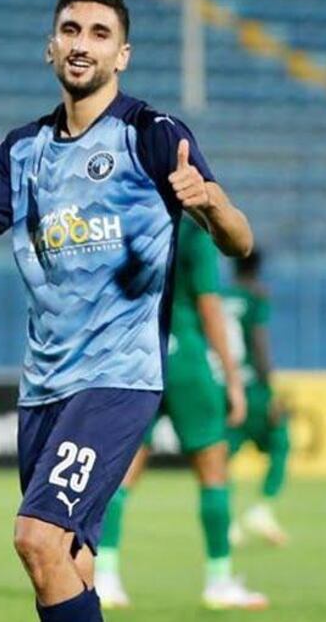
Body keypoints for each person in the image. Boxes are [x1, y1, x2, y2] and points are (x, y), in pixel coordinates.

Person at [0, 0, 252, 622]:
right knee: (67, 561)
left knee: (35, 539)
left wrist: (211, 202)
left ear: (123, 55)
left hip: (118, 378)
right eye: (70, 30)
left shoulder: (152, 135)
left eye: (99, 33)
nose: (81, 44)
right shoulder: (21, 150)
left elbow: (240, 241)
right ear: (50, 47)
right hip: (44, 388)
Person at [94, 216, 267, 611]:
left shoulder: (128, 223)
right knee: (213, 471)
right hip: (186, 359)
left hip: (137, 357)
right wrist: (233, 377)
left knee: (122, 473)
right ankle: (219, 581)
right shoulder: (193, 232)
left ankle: (105, 577)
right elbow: (209, 305)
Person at [222, 248, 291, 548]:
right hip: (253, 388)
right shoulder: (256, 298)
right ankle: (262, 509)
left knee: (221, 457)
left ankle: (225, 523)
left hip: (224, 385)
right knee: (280, 441)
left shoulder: (220, 297)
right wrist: (271, 389)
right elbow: (260, 344)